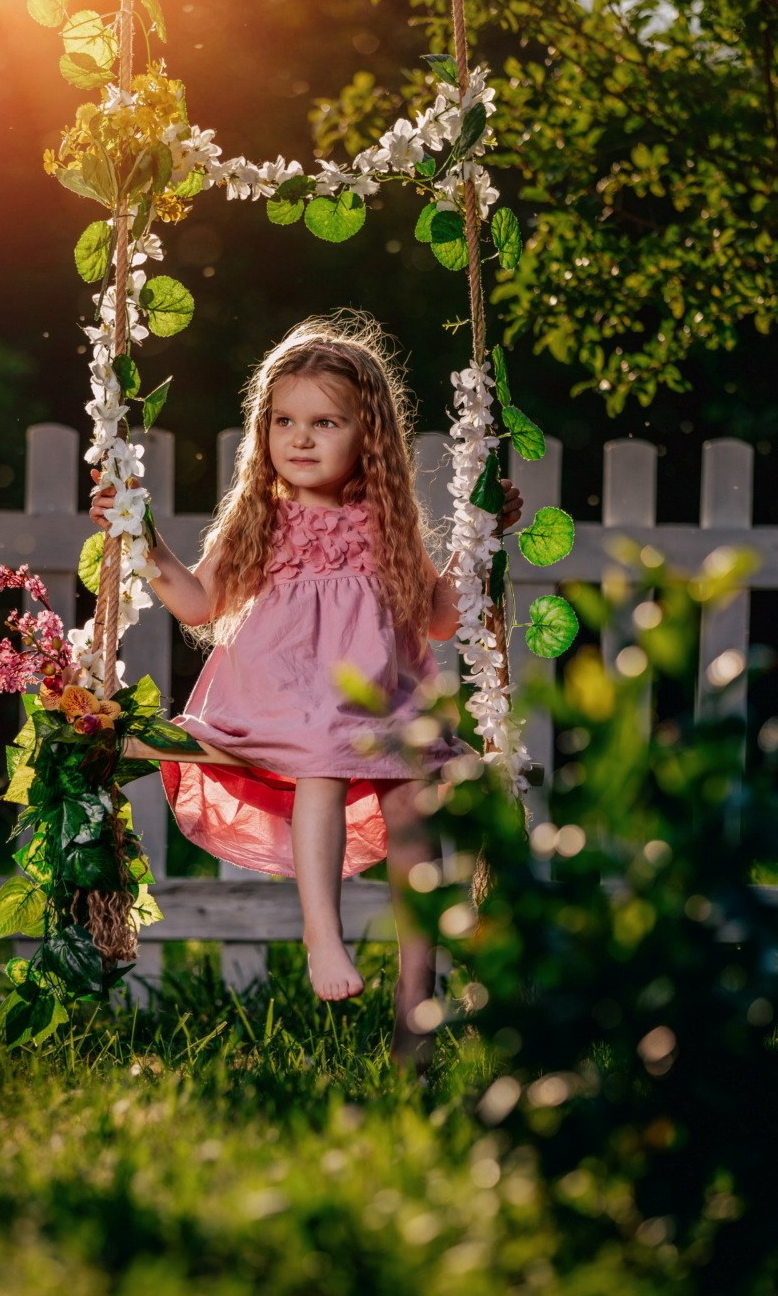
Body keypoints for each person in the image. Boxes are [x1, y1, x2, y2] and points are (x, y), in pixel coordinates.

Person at [89, 313, 523, 1073]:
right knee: (321, 760)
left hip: (381, 708)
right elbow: (197, 604)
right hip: (287, 698)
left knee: (415, 816)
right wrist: (141, 535)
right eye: (284, 421)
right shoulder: (263, 517)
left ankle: (415, 1011)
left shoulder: (386, 521)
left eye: (325, 422)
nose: (301, 438)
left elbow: (442, 618)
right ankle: (323, 932)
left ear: (369, 434)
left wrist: (479, 541)